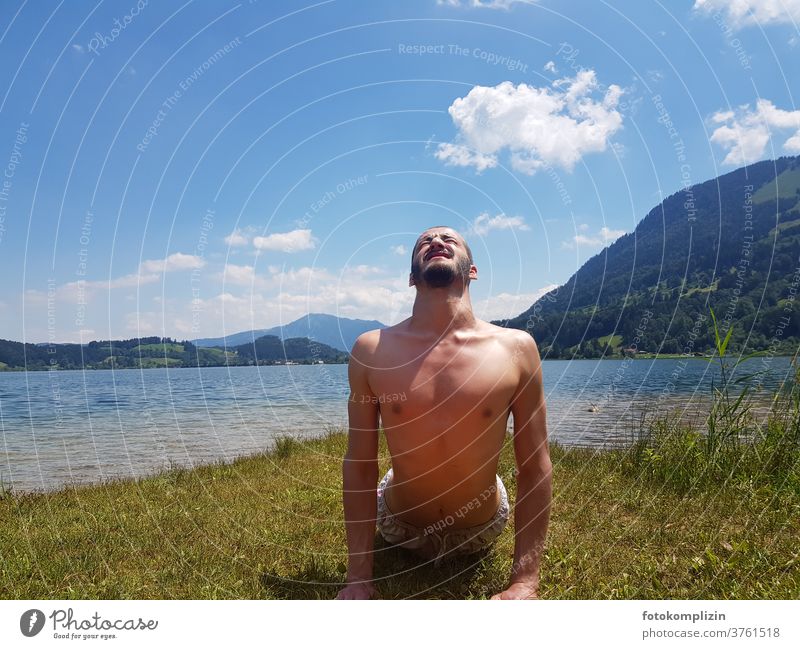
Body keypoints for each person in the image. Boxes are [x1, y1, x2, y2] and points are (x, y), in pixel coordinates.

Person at [336, 226, 552, 600]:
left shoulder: (516, 348)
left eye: (449, 240)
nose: (436, 242)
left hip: (481, 526)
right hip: (398, 525)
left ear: (472, 270)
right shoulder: (371, 350)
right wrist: (358, 580)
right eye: (425, 242)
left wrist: (525, 581)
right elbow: (359, 463)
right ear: (411, 277)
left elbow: (534, 466)